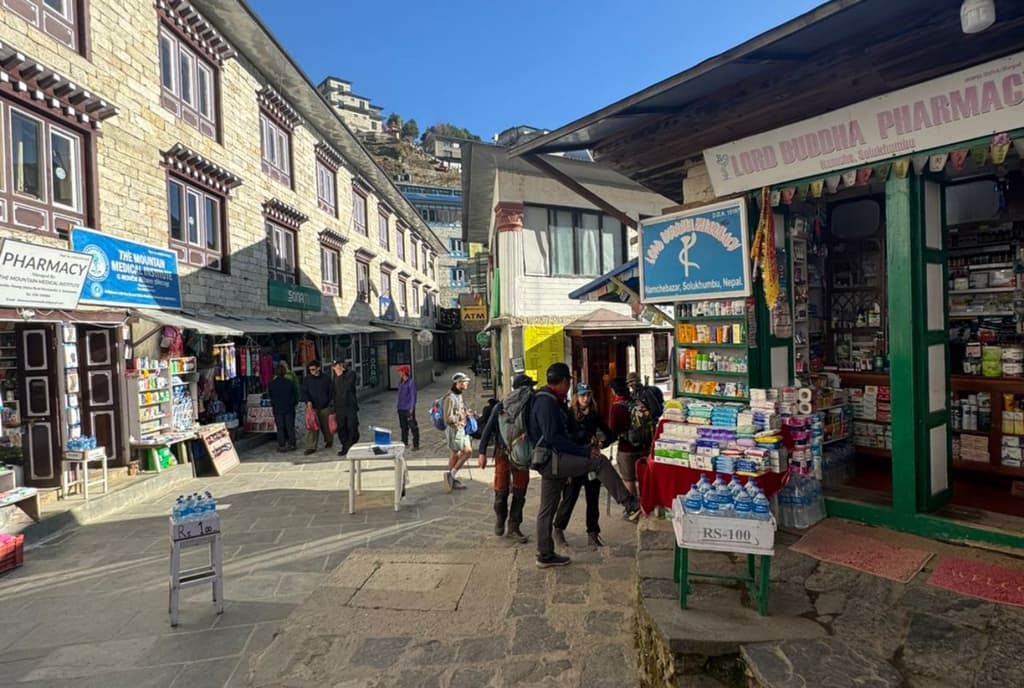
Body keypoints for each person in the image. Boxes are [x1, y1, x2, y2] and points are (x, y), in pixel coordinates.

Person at [529, 362, 640, 568]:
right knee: (598, 462)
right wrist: (584, 451)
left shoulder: (553, 400)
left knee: (547, 509)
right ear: (563, 382)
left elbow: (567, 433)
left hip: (550, 460)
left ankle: (545, 554)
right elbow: (554, 437)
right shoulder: (547, 402)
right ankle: (629, 502)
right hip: (554, 459)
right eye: (569, 382)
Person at [553, 383, 611, 548]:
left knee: (593, 499)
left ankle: (593, 533)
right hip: (575, 461)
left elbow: (609, 432)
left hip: (591, 460)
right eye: (582, 395)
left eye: (588, 395)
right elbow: (566, 436)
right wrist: (584, 435)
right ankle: (558, 529)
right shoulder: (569, 414)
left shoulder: (594, 414)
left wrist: (602, 443)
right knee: (570, 497)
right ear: (576, 397)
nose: (585, 398)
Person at [477, 375, 533, 543]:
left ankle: (510, 524)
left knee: (508, 489)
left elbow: (486, 430)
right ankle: (506, 521)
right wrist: (481, 452)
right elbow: (488, 430)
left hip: (504, 452)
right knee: (516, 490)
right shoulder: (527, 405)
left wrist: (482, 453)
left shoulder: (501, 405)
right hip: (516, 453)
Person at [608, 376, 650, 499]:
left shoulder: (616, 407)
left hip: (627, 448)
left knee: (629, 479)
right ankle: (645, 506)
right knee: (644, 478)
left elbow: (612, 430)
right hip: (644, 445)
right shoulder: (637, 402)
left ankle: (633, 507)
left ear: (614, 390)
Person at [442, 372, 474, 491]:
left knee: (463, 452)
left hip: (461, 429)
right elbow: (448, 418)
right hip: (454, 430)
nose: (467, 384)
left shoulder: (459, 395)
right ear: (458, 383)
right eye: (465, 382)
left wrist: (466, 413)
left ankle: (451, 477)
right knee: (458, 453)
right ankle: (451, 477)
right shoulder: (450, 398)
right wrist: (462, 416)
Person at [300, 360, 333, 455]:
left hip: (325, 406)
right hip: (312, 407)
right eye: (310, 370)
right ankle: (311, 446)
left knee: (326, 426)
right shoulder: (307, 379)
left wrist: (329, 402)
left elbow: (331, 392)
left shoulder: (326, 379)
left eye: (313, 369)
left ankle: (329, 440)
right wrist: (308, 401)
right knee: (311, 427)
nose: (312, 371)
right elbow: (304, 392)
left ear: (318, 368)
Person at [332, 360, 360, 456]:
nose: (337, 367)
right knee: (341, 428)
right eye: (335, 366)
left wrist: (340, 375)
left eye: (339, 365)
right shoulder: (335, 376)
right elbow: (334, 391)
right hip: (339, 407)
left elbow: (347, 387)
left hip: (350, 406)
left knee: (352, 427)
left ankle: (351, 445)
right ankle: (345, 446)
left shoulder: (351, 374)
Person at [268, 362, 297, 452]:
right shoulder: (289, 383)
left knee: (280, 427)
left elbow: (271, 395)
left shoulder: (272, 384)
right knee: (290, 426)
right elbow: (294, 395)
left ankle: (282, 445)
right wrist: (293, 404)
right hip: (289, 408)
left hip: (277, 408)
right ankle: (292, 444)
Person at [396, 365, 420, 450]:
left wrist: (412, 407)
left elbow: (413, 395)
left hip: (408, 408)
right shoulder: (401, 382)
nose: (399, 373)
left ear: (404, 372)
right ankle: (404, 442)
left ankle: (416, 444)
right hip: (401, 408)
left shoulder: (411, 382)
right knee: (403, 427)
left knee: (413, 426)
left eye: (400, 371)